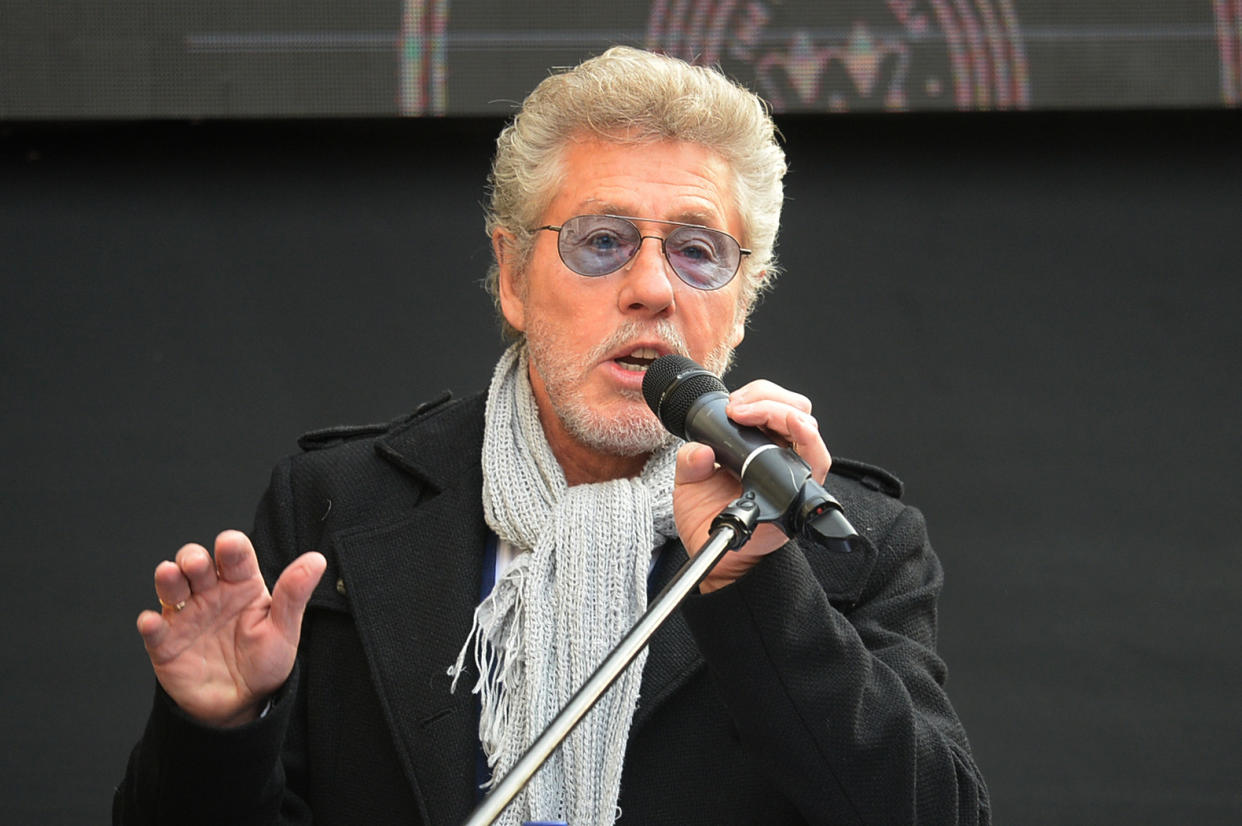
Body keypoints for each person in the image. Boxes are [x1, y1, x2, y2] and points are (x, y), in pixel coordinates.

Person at [114, 46, 990, 825]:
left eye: (697, 251)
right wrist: (220, 732)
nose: (651, 287)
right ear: (512, 276)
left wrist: (755, 582)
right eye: (602, 241)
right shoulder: (335, 505)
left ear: (742, 301)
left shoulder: (848, 540)